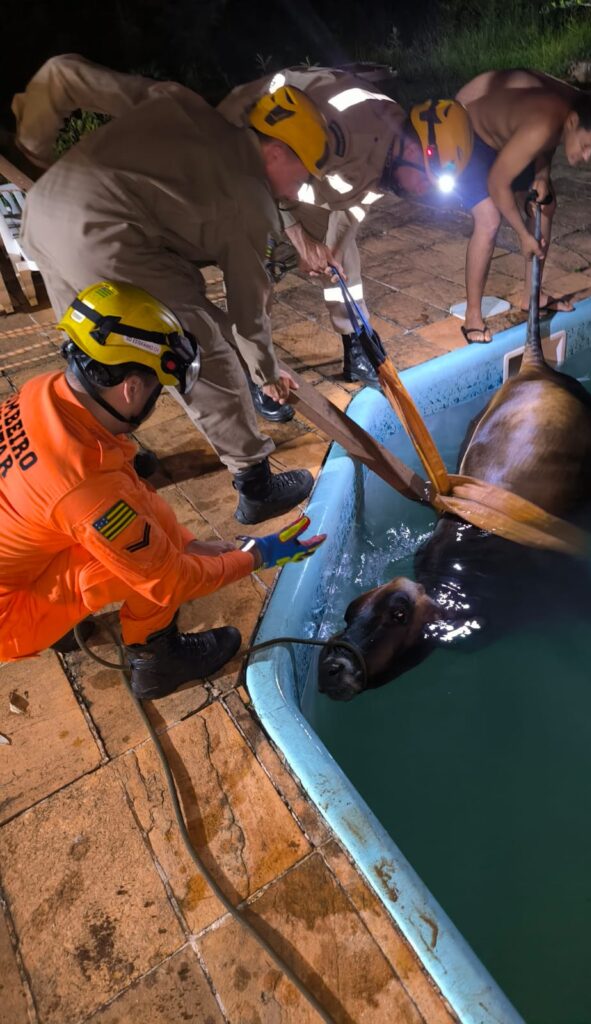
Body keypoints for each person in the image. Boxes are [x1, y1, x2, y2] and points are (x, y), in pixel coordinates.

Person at [12, 55, 473, 401]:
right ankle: (258, 375)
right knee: (253, 273)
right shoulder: (341, 121)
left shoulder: (394, 165)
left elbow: (355, 207)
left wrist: (328, 247)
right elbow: (277, 151)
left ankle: (352, 340)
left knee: (340, 262)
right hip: (251, 163)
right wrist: (296, 233)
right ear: (416, 149)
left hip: (292, 184)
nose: (423, 195)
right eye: (427, 183)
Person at [16, 61, 330, 524]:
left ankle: (107, 454)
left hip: (44, 212)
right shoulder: (251, 201)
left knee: (100, 351)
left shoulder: (185, 105)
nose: (300, 191)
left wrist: (33, 139)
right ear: (277, 153)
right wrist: (265, 371)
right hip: (106, 235)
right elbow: (248, 312)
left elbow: (64, 73)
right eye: (303, 177)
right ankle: (255, 482)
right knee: (197, 348)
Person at [0, 281, 325, 699]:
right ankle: (158, 662)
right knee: (139, 570)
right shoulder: (82, 485)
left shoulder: (43, 392)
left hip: (22, 546)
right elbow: (169, 581)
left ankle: (58, 615)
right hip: (7, 617)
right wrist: (259, 555)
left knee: (141, 529)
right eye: (157, 387)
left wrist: (196, 544)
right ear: (131, 387)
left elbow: (128, 495)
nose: (157, 398)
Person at [453, 69, 591, 342]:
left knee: (545, 203)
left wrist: (542, 174)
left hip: (510, 138)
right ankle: (473, 317)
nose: (586, 156)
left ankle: (532, 296)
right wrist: (523, 235)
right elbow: (498, 183)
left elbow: (550, 140)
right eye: (585, 146)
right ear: (573, 122)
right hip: (470, 136)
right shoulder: (543, 124)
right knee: (489, 219)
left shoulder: (572, 104)